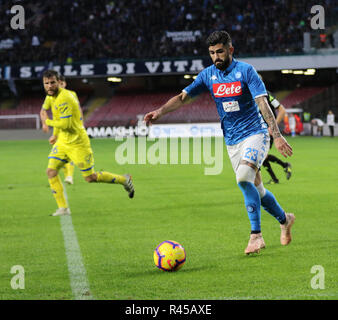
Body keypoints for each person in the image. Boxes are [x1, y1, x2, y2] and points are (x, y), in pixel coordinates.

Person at [144, 31, 295, 255]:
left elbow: (263, 103)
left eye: (220, 51)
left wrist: (276, 135)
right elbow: (183, 97)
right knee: (257, 190)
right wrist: (160, 111)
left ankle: (256, 236)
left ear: (230, 50)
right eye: (212, 53)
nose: (216, 56)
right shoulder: (207, 75)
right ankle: (285, 219)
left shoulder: (246, 71)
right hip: (232, 140)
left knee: (243, 177)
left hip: (256, 133)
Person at [40, 70, 134, 216]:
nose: (50, 86)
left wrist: (47, 121)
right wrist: (48, 126)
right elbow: (43, 109)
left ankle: (124, 179)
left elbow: (65, 124)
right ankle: (63, 208)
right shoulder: (51, 95)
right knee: (51, 171)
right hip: (63, 142)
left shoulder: (65, 98)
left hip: (78, 143)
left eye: (53, 82)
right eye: (47, 83)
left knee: (90, 178)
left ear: (59, 82)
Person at [40, 75, 79, 185]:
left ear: (64, 84)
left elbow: (78, 111)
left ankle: (69, 176)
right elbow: (43, 111)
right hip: (58, 129)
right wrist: (44, 124)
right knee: (61, 155)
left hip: (70, 129)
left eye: (61, 84)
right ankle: (67, 175)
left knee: (67, 154)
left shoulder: (71, 94)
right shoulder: (50, 97)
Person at [260, 88, 292, 184]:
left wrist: (272, 127)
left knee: (262, 156)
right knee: (261, 157)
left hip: (268, 131)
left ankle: (282, 168)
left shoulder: (266, 94)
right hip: (257, 132)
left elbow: (282, 110)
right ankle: (282, 168)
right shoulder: (248, 95)